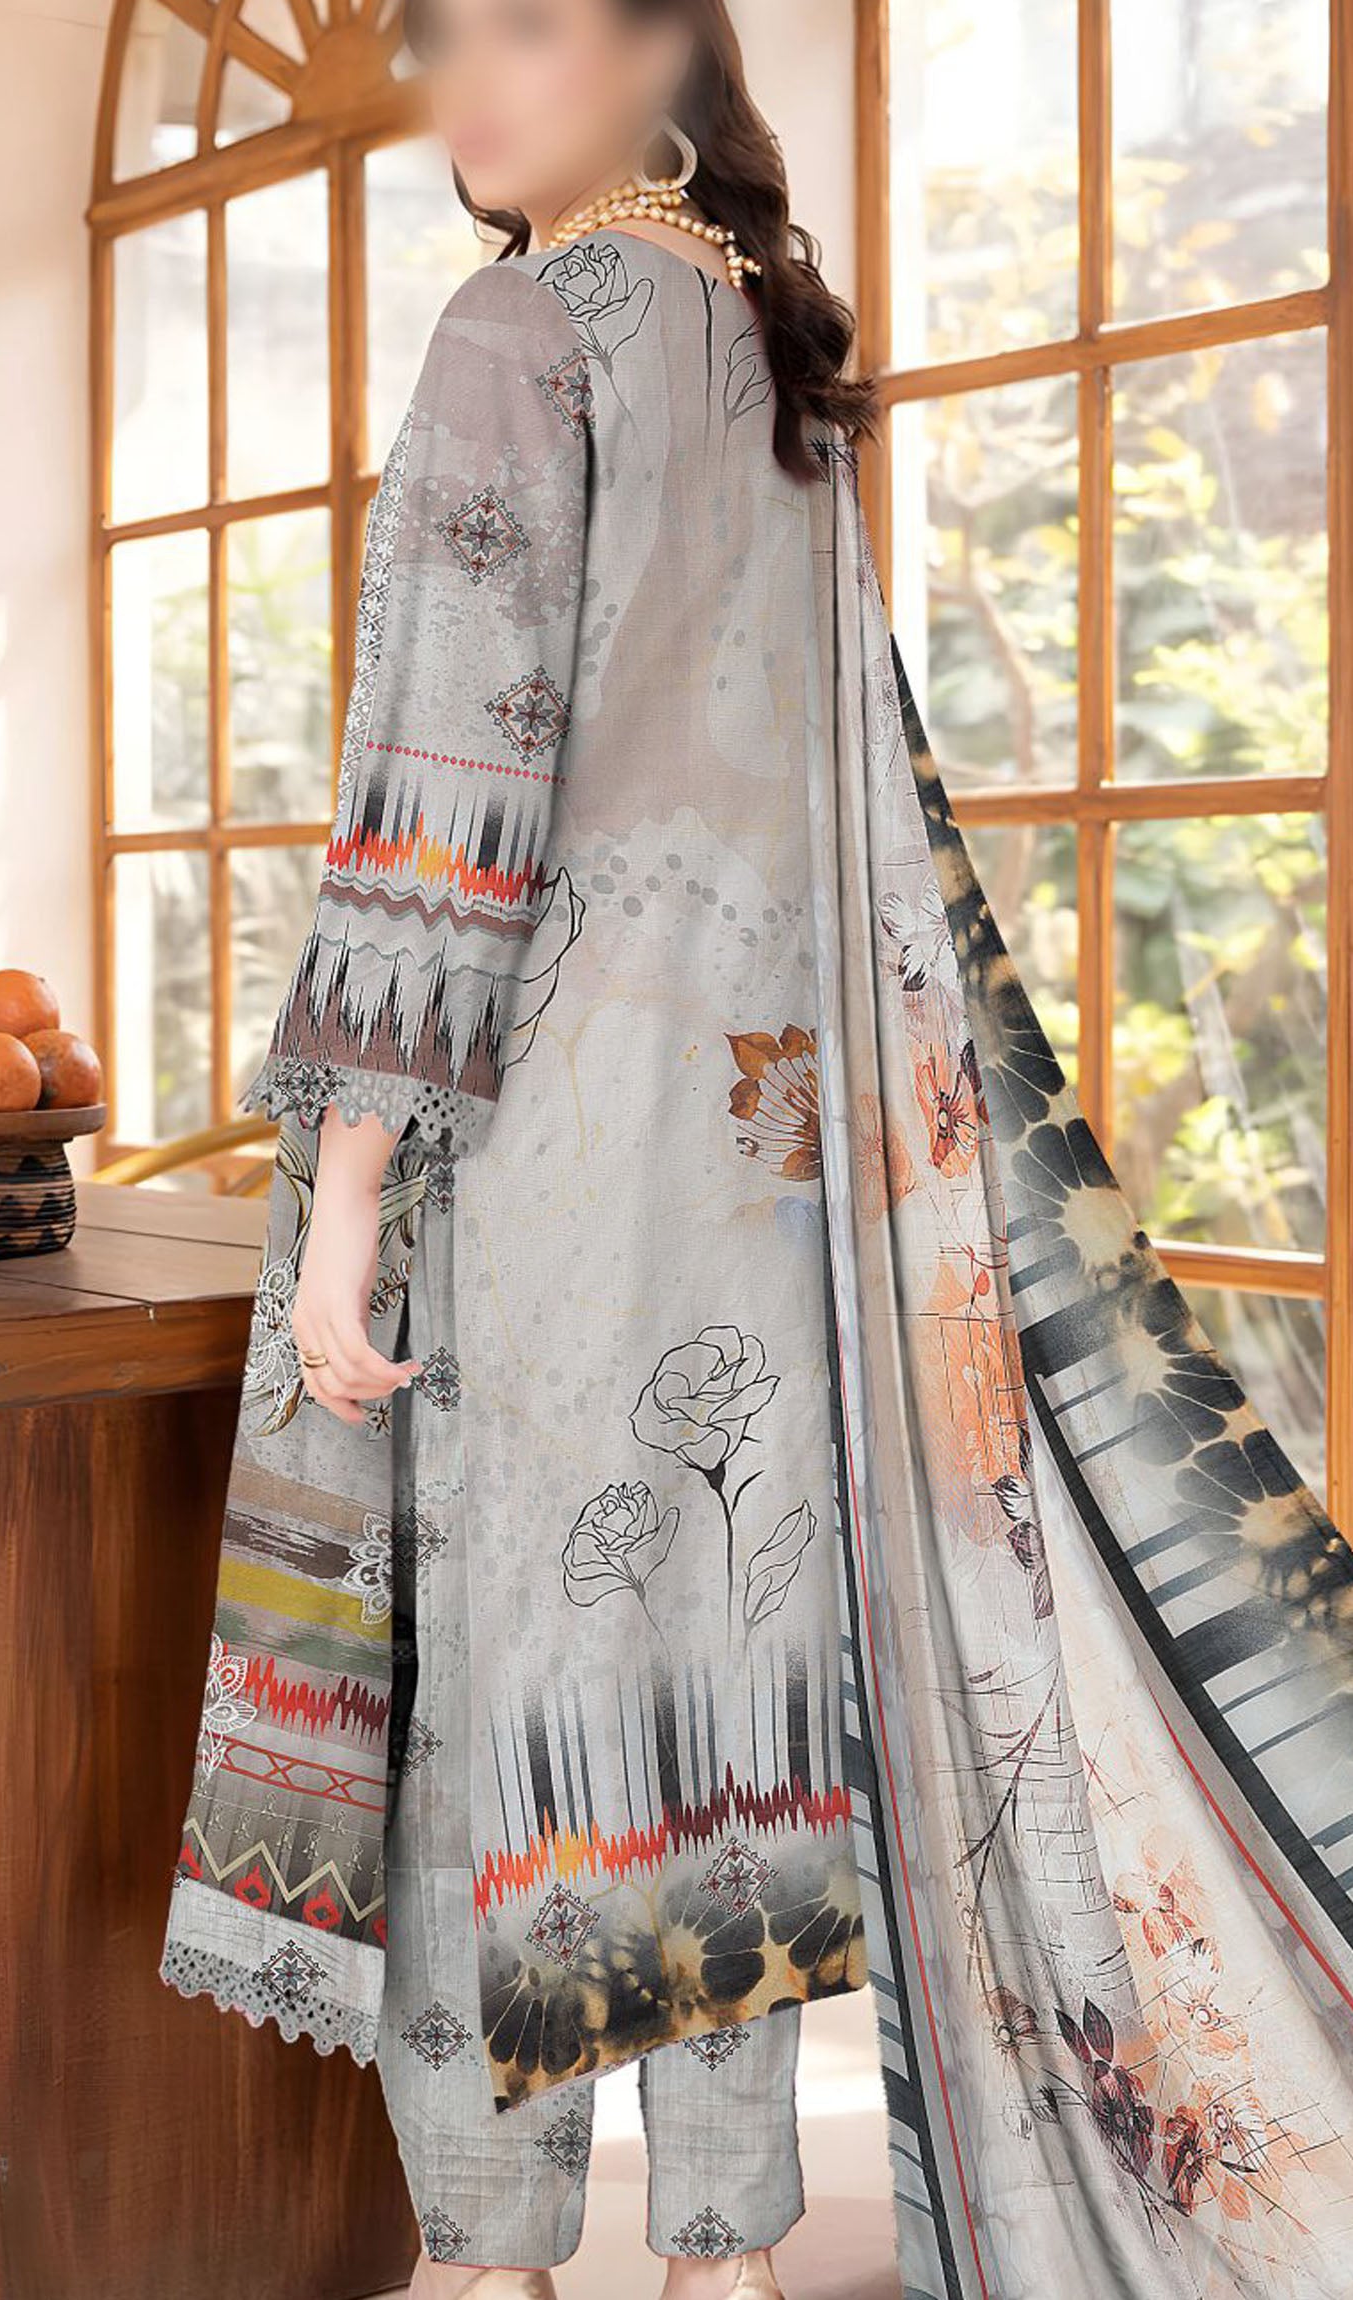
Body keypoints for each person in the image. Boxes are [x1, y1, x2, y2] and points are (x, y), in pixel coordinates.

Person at [164, 2, 1353, 2296]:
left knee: (496, 1682)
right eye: (439, 35)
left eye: (524, 29)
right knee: (728, 1652)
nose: (463, 84)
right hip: (769, 1143)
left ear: (654, 53)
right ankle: (719, 2247)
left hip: (540, 1139)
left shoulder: (518, 331)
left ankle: (496, 2245)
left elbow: (444, 797)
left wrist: (344, 1200)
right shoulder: (771, 354)